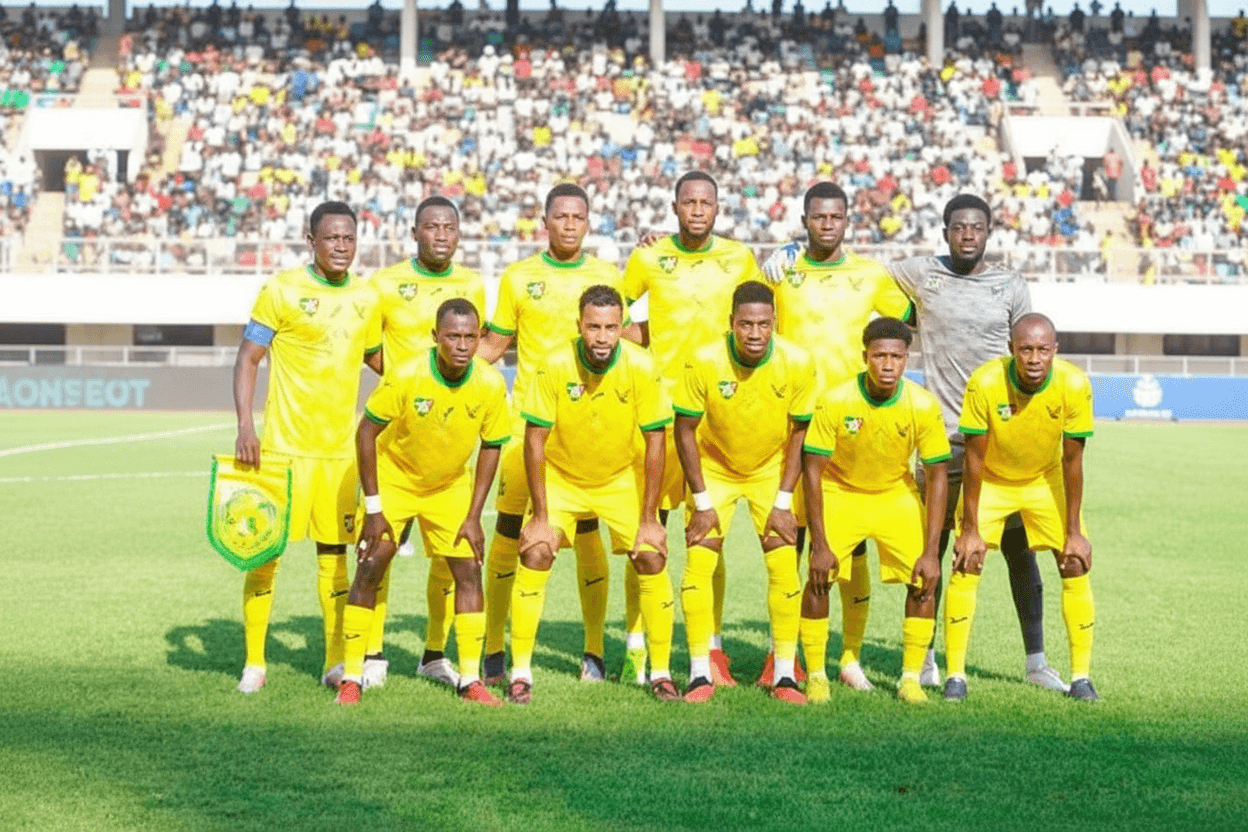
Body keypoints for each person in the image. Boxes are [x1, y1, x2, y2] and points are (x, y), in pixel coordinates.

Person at [887, 194, 1066, 693]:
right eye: (959, 227)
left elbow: (1028, 351)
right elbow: (856, 274)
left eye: (977, 227)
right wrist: (789, 257)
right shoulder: (923, 274)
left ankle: (1036, 662)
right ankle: (923, 660)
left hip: (998, 441)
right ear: (945, 231)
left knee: (1017, 550)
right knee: (934, 548)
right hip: (942, 441)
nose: (968, 234)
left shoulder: (1009, 283)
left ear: (989, 232)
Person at [761, 181, 914, 692]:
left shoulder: (870, 274)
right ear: (804, 220)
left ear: (848, 221)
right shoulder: (785, 269)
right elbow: (743, 302)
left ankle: (848, 657)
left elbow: (905, 318)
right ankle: (783, 655)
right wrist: (771, 257)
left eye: (836, 217)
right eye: (818, 217)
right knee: (790, 539)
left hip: (853, 425)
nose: (827, 224)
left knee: (854, 547)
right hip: (794, 421)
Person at [477, 184, 629, 687]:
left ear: (589, 222)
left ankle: (593, 650)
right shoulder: (520, 276)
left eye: (578, 216)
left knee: (588, 535)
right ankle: (495, 649)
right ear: (544, 221)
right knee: (509, 535)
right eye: (560, 216)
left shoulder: (608, 276)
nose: (569, 224)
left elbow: (628, 337)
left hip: (588, 429)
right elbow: (495, 344)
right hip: (529, 428)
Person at [621, 171, 764, 687]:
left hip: (715, 416)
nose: (698, 209)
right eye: (689, 202)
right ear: (675, 207)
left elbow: (763, 321)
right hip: (659, 415)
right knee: (649, 532)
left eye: (706, 202)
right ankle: (638, 647)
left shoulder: (739, 258)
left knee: (709, 537)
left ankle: (712, 650)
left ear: (718, 207)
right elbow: (612, 318)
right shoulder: (648, 257)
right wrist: (647, 345)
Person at [233, 201, 382, 693]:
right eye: (332, 238)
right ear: (310, 239)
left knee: (334, 558)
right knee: (264, 555)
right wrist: (246, 428)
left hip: (339, 456)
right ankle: (255, 662)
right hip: (281, 450)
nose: (342, 246)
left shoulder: (367, 296)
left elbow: (382, 361)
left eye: (349, 238)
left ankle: (335, 661)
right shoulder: (280, 290)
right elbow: (248, 359)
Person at [335, 299, 510, 706]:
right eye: (453, 336)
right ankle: (353, 676)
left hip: (448, 487)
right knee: (371, 565)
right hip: (395, 479)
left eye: (470, 336)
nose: (462, 345)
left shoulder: (488, 383)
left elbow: (492, 447)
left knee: (468, 572)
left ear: (480, 337)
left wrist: (473, 515)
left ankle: (469, 679)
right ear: (436, 337)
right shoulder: (407, 374)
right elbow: (366, 434)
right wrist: (375, 508)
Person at [507, 285, 676, 704]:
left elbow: (657, 439)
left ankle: (662, 672)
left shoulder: (641, 364)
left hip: (618, 479)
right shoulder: (554, 364)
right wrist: (542, 515)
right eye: (594, 327)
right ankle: (521, 672)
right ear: (579, 325)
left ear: (623, 328)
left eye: (611, 328)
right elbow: (534, 439)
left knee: (651, 554)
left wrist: (650, 515)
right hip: (562, 479)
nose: (602, 337)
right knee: (536, 552)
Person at [673, 281, 814, 705]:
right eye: (746, 324)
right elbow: (684, 431)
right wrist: (700, 503)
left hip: (770, 471)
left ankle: (785, 675)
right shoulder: (702, 361)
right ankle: (700, 672)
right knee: (699, 560)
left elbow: (799, 434)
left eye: (764, 324)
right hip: (714, 470)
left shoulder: (798, 362)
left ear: (775, 323)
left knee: (784, 564)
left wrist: (785, 501)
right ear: (730, 323)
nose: (755, 333)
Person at [366, 196, 486, 691]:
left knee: (449, 555)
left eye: (450, 227)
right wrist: (405, 389)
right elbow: (370, 348)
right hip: (394, 444)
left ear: (459, 234)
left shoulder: (472, 284)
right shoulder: (385, 283)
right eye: (431, 226)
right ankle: (371, 653)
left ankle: (435, 653)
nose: (441, 234)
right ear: (414, 232)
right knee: (382, 551)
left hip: (447, 447)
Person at [947, 313, 1098, 702]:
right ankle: (955, 675)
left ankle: (1081, 678)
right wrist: (969, 529)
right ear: (1011, 350)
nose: (1034, 358)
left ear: (1055, 351)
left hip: (1044, 481)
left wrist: (1074, 530)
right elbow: (974, 459)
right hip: (992, 479)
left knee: (1074, 561)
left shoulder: (1074, 383)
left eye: (1042, 350)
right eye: (1026, 349)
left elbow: (1072, 461)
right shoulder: (985, 381)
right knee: (967, 561)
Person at [801, 318, 950, 704]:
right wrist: (818, 541)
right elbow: (812, 470)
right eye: (879, 355)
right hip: (841, 491)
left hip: (894, 494)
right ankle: (817, 674)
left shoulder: (922, 404)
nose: (887, 365)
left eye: (896, 357)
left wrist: (932, 552)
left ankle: (910, 678)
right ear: (864, 356)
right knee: (820, 576)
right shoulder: (835, 399)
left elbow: (937, 477)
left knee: (923, 577)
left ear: (907, 358)